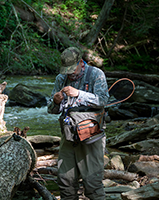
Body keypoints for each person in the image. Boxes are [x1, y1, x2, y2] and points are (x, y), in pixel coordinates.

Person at [47, 47, 109, 200]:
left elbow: (103, 100)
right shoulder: (60, 79)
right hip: (69, 135)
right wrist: (55, 102)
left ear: (81, 62)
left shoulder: (96, 74)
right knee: (65, 180)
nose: (69, 73)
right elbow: (52, 110)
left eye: (72, 69)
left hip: (91, 135)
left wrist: (79, 94)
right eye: (66, 70)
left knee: (93, 184)